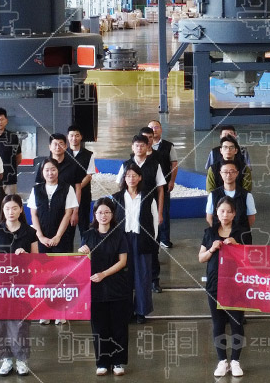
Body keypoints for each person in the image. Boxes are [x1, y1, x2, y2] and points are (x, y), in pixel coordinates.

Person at [0, 194, 38, 376]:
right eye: (7, 208)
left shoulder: (30, 232)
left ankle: (22, 359)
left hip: (22, 285)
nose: (11, 212)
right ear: (3, 210)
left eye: (14, 208)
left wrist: (26, 255)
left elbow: (36, 260)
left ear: (21, 210)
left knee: (20, 323)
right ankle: (6, 359)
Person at [78, 197, 131, 376]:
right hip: (94, 289)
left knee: (119, 327)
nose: (103, 215)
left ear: (112, 214)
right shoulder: (87, 235)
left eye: (107, 212)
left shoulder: (119, 234)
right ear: (94, 214)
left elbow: (123, 261)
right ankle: (102, 362)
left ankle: (118, 362)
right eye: (100, 212)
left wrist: (104, 274)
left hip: (117, 288)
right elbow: (79, 261)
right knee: (100, 328)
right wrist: (80, 253)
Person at [199, 197, 248, 378]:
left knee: (236, 322)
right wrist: (211, 249)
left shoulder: (242, 231)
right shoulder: (209, 232)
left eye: (229, 211)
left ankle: (235, 361)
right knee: (218, 323)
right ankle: (222, 361)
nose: (225, 214)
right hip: (214, 284)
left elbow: (251, 258)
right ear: (216, 213)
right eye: (221, 211)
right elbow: (201, 257)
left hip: (237, 284)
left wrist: (237, 246)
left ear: (234, 213)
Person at [113, 162, 158, 323]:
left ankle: (141, 311)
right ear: (124, 178)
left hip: (142, 240)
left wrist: (152, 240)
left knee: (143, 277)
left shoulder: (148, 196)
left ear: (140, 178)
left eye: (134, 175)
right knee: (124, 277)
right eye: (128, 175)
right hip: (123, 240)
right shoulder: (117, 197)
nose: (131, 178)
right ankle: (125, 311)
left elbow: (153, 222)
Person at [34, 133, 84, 251]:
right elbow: (38, 191)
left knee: (66, 243)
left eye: (61, 144)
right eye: (55, 144)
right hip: (45, 217)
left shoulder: (73, 165)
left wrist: (75, 211)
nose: (58, 147)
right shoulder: (43, 165)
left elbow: (78, 187)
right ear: (49, 147)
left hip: (66, 210)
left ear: (66, 146)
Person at [115, 135, 166, 227]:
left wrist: (160, 212)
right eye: (137, 146)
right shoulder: (126, 165)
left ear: (147, 147)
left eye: (142, 145)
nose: (139, 148)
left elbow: (160, 189)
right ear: (132, 147)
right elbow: (120, 186)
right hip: (129, 207)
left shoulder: (155, 165)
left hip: (149, 206)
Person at [31, 157, 79, 254]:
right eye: (47, 170)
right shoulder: (36, 190)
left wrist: (58, 236)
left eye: (53, 169)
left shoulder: (67, 189)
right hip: (41, 238)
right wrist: (40, 236)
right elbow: (34, 214)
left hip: (62, 237)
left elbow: (68, 214)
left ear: (58, 170)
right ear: (42, 171)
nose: (50, 173)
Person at [205, 159, 255, 243]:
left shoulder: (246, 195)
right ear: (220, 173)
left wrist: (239, 232)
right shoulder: (213, 195)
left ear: (237, 173)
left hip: (241, 238)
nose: (228, 175)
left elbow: (251, 218)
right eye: (225, 172)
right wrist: (220, 231)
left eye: (232, 172)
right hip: (218, 238)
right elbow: (209, 217)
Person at [148, 119, 177, 251]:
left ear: (161, 129)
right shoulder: (143, 146)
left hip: (164, 185)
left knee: (163, 211)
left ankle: (164, 239)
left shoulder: (169, 146)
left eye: (156, 127)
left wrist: (172, 181)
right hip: (148, 185)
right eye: (151, 127)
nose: (154, 129)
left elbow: (174, 164)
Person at [66, 126, 97, 235]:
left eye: (77, 135)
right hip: (66, 195)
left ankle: (85, 249)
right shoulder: (63, 154)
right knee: (67, 227)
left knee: (84, 225)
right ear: (68, 137)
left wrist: (77, 188)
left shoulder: (89, 155)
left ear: (81, 137)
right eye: (72, 135)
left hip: (84, 194)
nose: (74, 138)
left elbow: (89, 175)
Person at [0, 108, 22, 195]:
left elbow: (18, 158)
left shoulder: (13, 137)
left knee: (10, 205)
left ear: (6, 121)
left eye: (2, 119)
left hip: (9, 180)